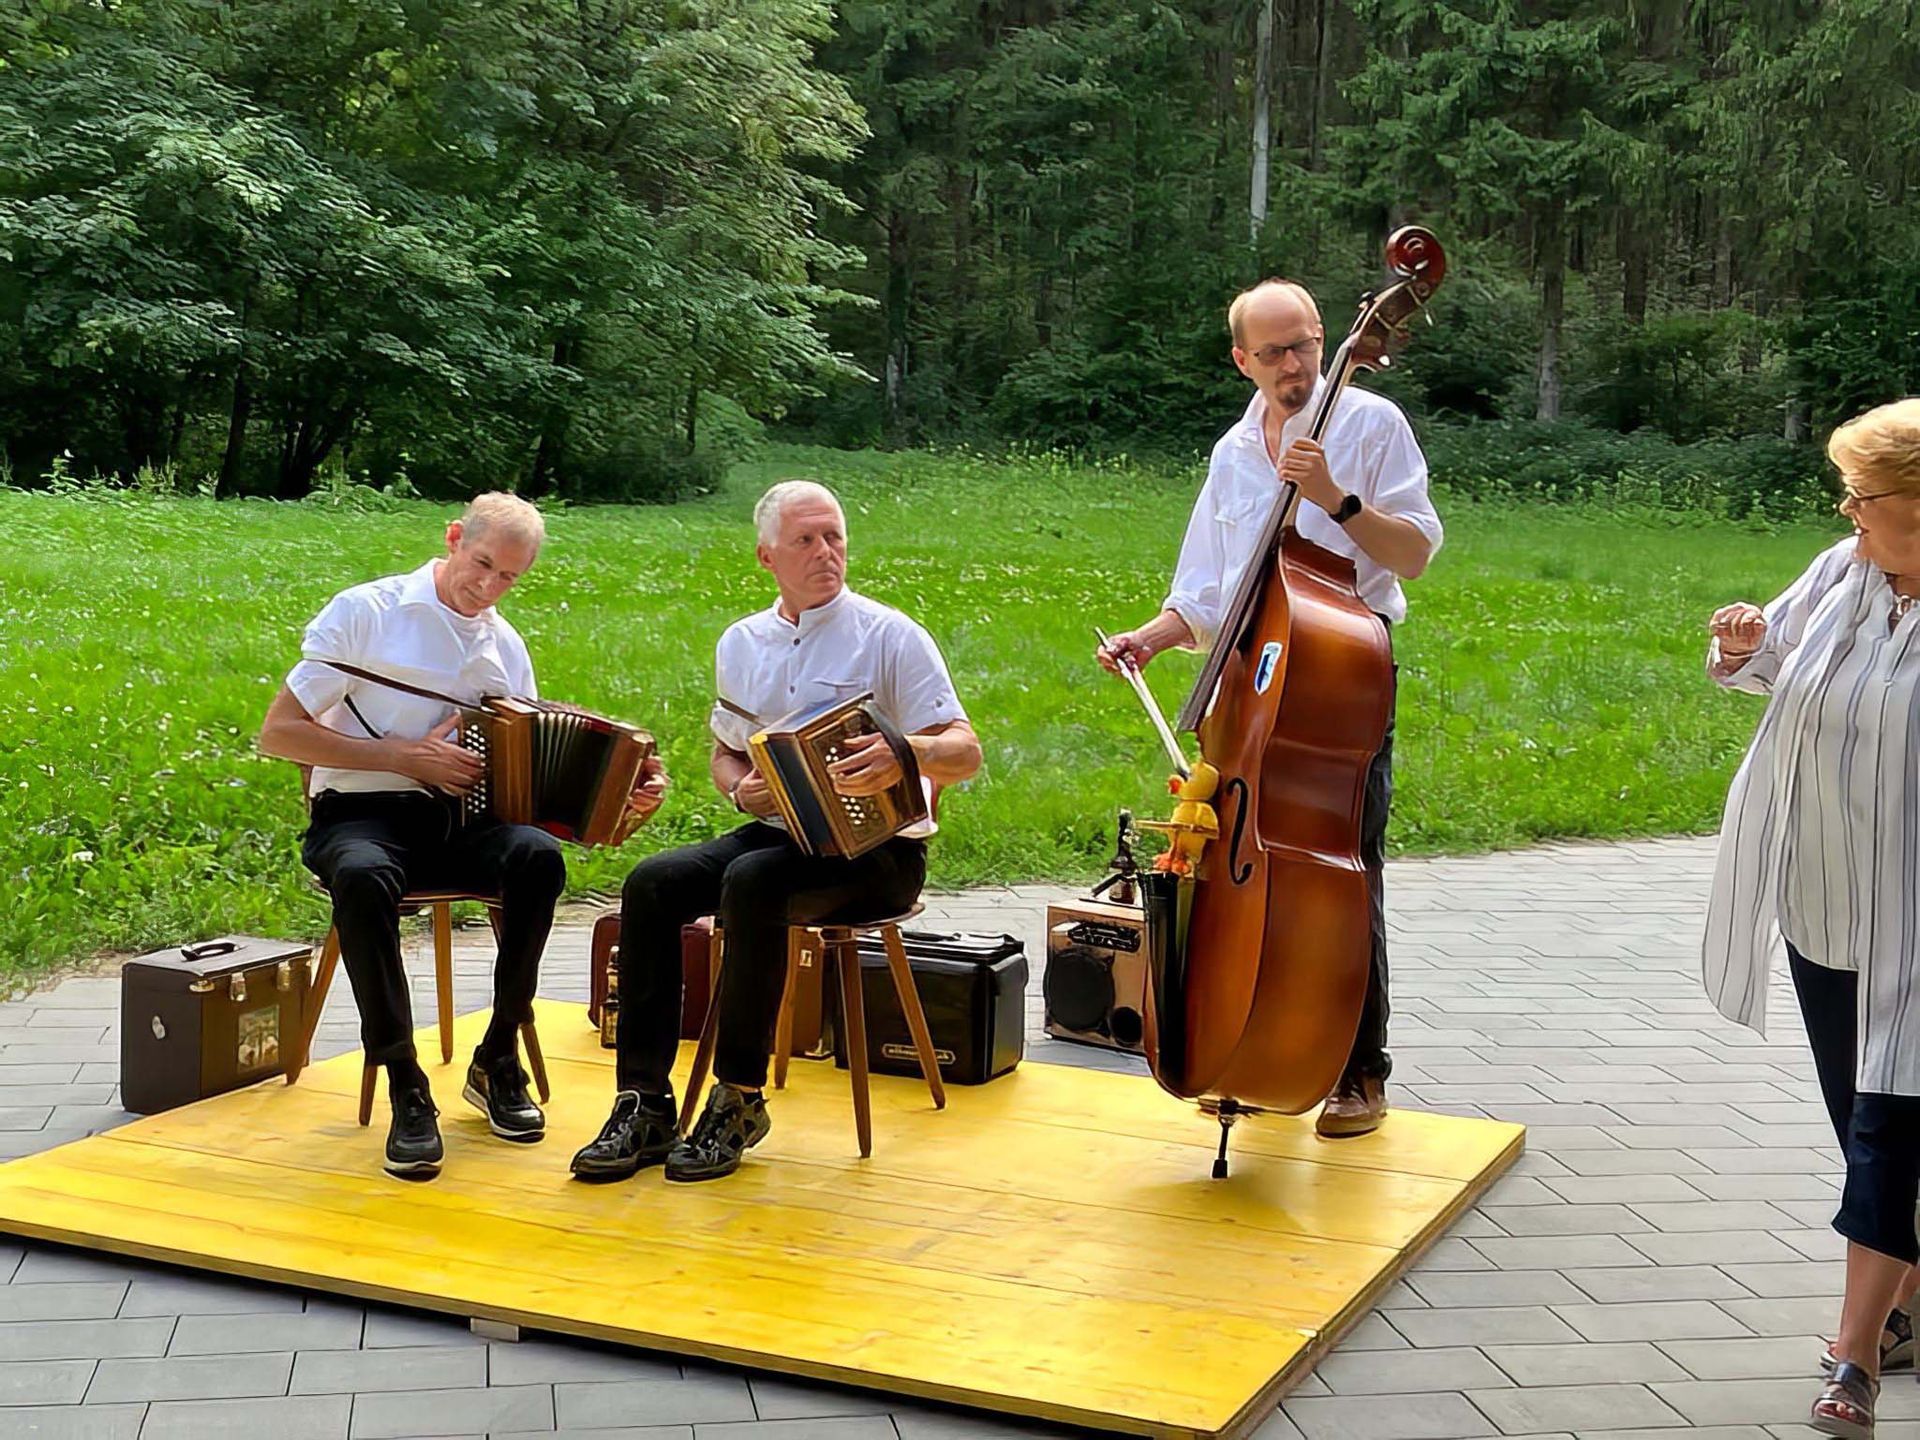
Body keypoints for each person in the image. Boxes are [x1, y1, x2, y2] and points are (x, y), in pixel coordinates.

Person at [1096, 277, 1442, 1138]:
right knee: (1238, 867)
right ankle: (1252, 1047)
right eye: (1276, 353)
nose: (1296, 367)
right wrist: (1151, 637)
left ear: (1328, 339)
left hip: (1338, 680)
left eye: (1307, 345)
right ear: (1242, 360)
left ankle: (1360, 1069)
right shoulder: (1232, 452)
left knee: (1341, 871)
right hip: (1254, 683)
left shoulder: (1371, 424)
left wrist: (1335, 498)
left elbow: (1417, 553)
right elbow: (1210, 592)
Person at [571, 479, 981, 1184]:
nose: (827, 553)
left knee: (751, 881)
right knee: (651, 883)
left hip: (877, 851)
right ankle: (644, 1101)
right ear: (767, 557)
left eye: (835, 537)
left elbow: (965, 750)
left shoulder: (891, 635)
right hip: (776, 834)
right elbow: (727, 747)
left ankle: (739, 1095)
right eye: (806, 540)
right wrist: (739, 785)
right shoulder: (743, 641)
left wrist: (904, 752)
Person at [258, 493, 667, 1179]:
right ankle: (405, 1084)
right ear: (453, 538)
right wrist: (403, 755)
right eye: (482, 564)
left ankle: (498, 1054)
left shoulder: (503, 645)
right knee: (361, 877)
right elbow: (279, 733)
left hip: (465, 821)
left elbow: (532, 766)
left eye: (509, 576)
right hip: (359, 814)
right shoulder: (366, 611)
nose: (489, 586)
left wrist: (621, 795)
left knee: (536, 856)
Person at [1703, 397, 1920, 1438]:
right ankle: (1908, 1299)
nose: (1846, 508)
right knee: (1861, 1121)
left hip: (1919, 918)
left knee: (1890, 1124)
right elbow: (1772, 664)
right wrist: (1744, 641)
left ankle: (1855, 1359)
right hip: (1825, 899)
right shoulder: (1843, 572)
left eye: (1864, 495)